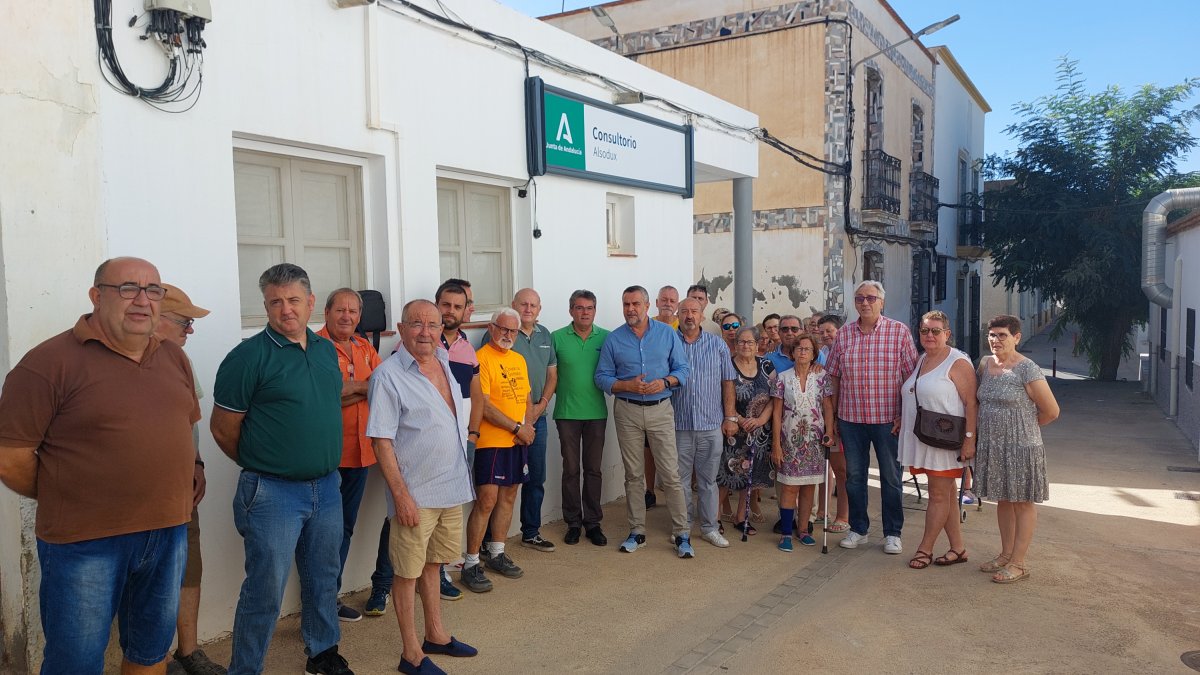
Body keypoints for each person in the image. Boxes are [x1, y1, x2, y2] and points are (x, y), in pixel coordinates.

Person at [0, 257, 199, 674]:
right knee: (75, 662)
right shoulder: (48, 363)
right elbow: (10, 457)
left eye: (153, 290)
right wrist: (68, 489)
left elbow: (182, 427)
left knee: (150, 651)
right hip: (85, 540)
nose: (142, 300)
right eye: (128, 288)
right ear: (96, 296)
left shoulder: (172, 357)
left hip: (166, 532)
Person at [211, 263, 352, 675]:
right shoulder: (247, 358)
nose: (285, 309)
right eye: (275, 302)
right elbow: (223, 429)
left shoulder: (325, 350)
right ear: (265, 306)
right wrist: (266, 461)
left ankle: (322, 653)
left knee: (324, 576)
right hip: (272, 492)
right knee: (265, 590)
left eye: (293, 300)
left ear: (310, 302)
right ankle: (245, 669)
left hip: (326, 487)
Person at [367, 300, 478, 675]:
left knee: (434, 564)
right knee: (406, 573)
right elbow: (381, 441)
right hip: (415, 495)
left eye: (432, 324)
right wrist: (400, 496)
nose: (425, 332)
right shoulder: (388, 377)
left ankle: (436, 635)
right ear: (401, 329)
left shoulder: (444, 362)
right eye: (416, 324)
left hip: (450, 487)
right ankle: (411, 654)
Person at [156, 284, 225, 675]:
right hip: (146, 494)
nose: (191, 329)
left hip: (184, 487)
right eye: (184, 321)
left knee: (188, 567)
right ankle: (157, 658)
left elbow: (189, 421)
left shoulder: (180, 359)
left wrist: (197, 463)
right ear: (156, 319)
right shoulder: (126, 363)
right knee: (148, 574)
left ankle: (189, 651)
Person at [595, 285, 691, 556]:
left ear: (648, 306)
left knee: (670, 473)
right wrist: (626, 385)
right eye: (626, 304)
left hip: (661, 408)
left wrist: (664, 382)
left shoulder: (667, 334)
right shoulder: (614, 339)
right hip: (627, 411)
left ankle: (681, 533)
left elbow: (683, 369)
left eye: (636, 304)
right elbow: (601, 377)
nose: (630, 309)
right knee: (634, 475)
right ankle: (637, 532)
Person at [826, 281, 918, 555]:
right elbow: (834, 377)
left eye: (870, 298)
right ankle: (858, 529)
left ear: (881, 302)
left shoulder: (899, 332)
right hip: (851, 418)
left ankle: (893, 533)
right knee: (854, 477)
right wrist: (834, 417)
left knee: (891, 477)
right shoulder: (844, 335)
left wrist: (904, 414)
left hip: (888, 419)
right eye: (859, 298)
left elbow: (910, 377)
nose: (865, 302)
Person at [974, 315, 1060, 584]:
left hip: (1022, 447)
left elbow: (1051, 411)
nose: (996, 340)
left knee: (1022, 502)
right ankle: (1005, 555)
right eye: (992, 335)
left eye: (1002, 335)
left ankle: (1019, 563)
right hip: (993, 446)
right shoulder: (985, 364)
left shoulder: (1027, 368)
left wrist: (1025, 428)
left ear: (1016, 337)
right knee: (1002, 499)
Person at [316, 289, 383, 624]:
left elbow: (384, 385)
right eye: (340, 310)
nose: (347, 316)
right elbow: (324, 397)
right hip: (327, 455)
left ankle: (330, 597)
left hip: (361, 453)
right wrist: (363, 387)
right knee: (320, 534)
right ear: (326, 312)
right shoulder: (315, 347)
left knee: (344, 529)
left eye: (353, 311)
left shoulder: (363, 346)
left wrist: (350, 387)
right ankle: (317, 605)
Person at [897, 311, 978, 570]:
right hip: (925, 436)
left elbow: (971, 403)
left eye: (935, 331)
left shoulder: (958, 362)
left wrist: (969, 440)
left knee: (938, 496)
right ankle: (958, 548)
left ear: (947, 334)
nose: (929, 335)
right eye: (924, 331)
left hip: (945, 441)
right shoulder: (923, 358)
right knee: (946, 494)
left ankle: (925, 549)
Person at [460, 308, 533, 593]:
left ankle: (497, 553)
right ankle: (470, 563)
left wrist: (528, 427)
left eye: (513, 331)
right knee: (486, 501)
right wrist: (517, 428)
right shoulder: (481, 358)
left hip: (517, 441)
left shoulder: (518, 359)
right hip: (490, 442)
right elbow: (485, 406)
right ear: (491, 328)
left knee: (509, 496)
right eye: (503, 329)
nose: (508, 335)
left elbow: (526, 398)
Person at [673, 298, 737, 550]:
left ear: (702, 315)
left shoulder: (717, 344)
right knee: (680, 480)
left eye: (694, 311)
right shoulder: (669, 343)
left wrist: (730, 417)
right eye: (684, 311)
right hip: (678, 424)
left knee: (709, 481)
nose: (689, 316)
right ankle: (683, 527)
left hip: (711, 424)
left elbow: (728, 382)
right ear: (678, 315)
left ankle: (710, 527)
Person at [551, 290, 611, 546]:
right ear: (571, 310)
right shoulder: (556, 338)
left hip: (596, 413)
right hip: (566, 413)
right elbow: (549, 375)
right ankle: (573, 523)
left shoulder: (607, 337)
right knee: (571, 470)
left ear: (595, 311)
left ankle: (593, 523)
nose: (584, 312)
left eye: (589, 308)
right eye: (579, 307)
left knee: (594, 470)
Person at [771, 334, 835, 551]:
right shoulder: (782, 377)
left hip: (814, 442)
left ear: (814, 353)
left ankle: (804, 530)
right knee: (789, 487)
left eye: (807, 349)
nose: (803, 352)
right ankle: (786, 533)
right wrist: (776, 444)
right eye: (799, 348)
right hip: (789, 441)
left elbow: (828, 406)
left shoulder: (822, 377)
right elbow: (777, 413)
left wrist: (829, 432)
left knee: (809, 487)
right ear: (792, 352)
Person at [720, 327, 776, 537]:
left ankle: (741, 517)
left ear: (757, 344)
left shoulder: (767, 365)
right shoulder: (727, 365)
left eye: (750, 342)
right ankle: (714, 518)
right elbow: (721, 397)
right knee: (725, 475)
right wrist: (739, 419)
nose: (745, 345)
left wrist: (761, 420)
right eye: (741, 342)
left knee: (750, 474)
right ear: (735, 344)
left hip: (760, 431)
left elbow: (775, 397)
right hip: (734, 429)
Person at [815, 314, 849, 532]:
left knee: (842, 470)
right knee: (829, 467)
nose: (826, 335)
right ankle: (823, 511)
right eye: (822, 332)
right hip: (826, 417)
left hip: (843, 417)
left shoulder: (845, 351)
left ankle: (843, 516)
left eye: (830, 331)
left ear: (839, 331)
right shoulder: (822, 354)